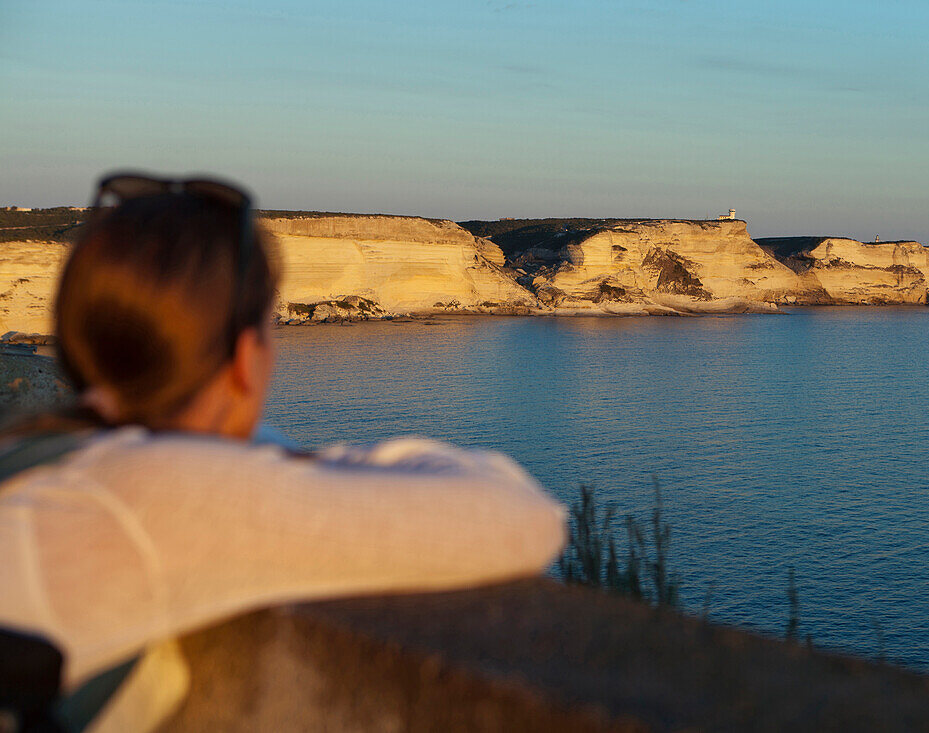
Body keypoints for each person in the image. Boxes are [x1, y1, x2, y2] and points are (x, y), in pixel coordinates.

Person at [0, 172, 566, 731]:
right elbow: (527, 519)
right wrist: (310, 461)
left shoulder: (35, 444)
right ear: (246, 357)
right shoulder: (153, 493)